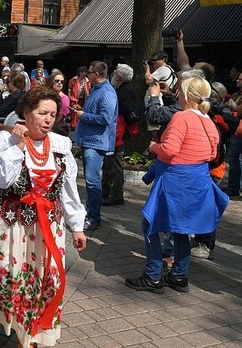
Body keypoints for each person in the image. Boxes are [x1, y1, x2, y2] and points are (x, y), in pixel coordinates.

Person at [0, 87, 87, 347]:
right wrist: (19, 147)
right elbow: (1, 180)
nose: (48, 119)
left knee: (42, 277)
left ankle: (28, 332)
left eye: (52, 114)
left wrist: (76, 226)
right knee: (5, 272)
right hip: (10, 223)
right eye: (42, 113)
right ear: (26, 113)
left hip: (47, 226)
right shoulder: (5, 140)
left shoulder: (62, 145)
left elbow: (68, 189)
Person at [126, 76, 229, 294]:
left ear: (188, 96)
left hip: (176, 181)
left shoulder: (181, 117)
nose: (177, 95)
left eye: (180, 92)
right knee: (182, 229)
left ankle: (153, 276)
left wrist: (154, 147)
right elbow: (212, 154)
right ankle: (179, 276)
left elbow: (170, 150)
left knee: (150, 224)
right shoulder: (208, 120)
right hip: (198, 181)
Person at [73, 61, 118, 231]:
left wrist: (84, 116)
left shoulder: (107, 93)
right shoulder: (96, 90)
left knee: (92, 181)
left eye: (89, 72)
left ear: (96, 75)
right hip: (89, 140)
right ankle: (91, 212)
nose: (86, 75)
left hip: (96, 142)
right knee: (90, 180)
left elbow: (106, 118)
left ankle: (94, 217)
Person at [102, 64, 139, 206]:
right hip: (119, 132)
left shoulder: (122, 91)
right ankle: (107, 191)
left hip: (118, 133)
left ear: (118, 77)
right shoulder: (126, 89)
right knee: (109, 163)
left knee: (114, 164)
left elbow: (125, 111)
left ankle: (116, 195)